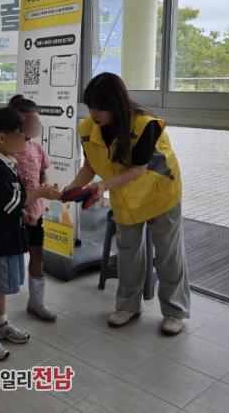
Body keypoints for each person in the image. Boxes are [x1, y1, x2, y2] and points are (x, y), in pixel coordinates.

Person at [65, 72, 190, 336]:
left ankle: (174, 311)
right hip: (125, 196)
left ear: (116, 104)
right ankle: (127, 306)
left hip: (160, 193)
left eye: (101, 108)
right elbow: (89, 166)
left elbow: (138, 169)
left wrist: (103, 186)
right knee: (127, 253)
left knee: (167, 254)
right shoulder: (86, 128)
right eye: (91, 107)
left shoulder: (145, 124)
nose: (95, 114)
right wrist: (73, 186)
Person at [0, 107, 60, 361]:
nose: (26, 139)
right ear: (2, 138)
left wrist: (25, 214)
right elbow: (13, 201)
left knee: (0, 285)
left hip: (8, 236)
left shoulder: (7, 163)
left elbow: (10, 204)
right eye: (21, 135)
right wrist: (40, 193)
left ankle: (0, 323)